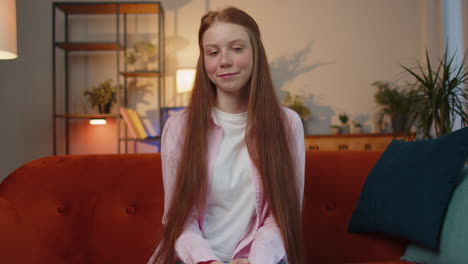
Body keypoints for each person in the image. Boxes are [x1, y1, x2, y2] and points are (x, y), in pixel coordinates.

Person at [148, 6, 305, 264]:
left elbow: (283, 215)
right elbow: (178, 218)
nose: (224, 61)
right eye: (213, 52)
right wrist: (206, 261)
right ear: (204, 60)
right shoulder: (179, 127)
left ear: (255, 52)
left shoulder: (287, 124)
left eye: (236, 48)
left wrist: (252, 260)